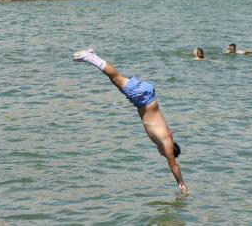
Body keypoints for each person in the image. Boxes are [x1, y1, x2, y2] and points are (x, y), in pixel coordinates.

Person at [73, 49, 189, 195]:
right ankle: (89, 57)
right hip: (143, 98)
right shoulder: (167, 144)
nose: (162, 155)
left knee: (115, 79)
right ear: (170, 150)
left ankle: (92, 56)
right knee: (115, 78)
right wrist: (181, 183)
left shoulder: (166, 137)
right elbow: (173, 164)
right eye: (165, 154)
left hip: (148, 94)